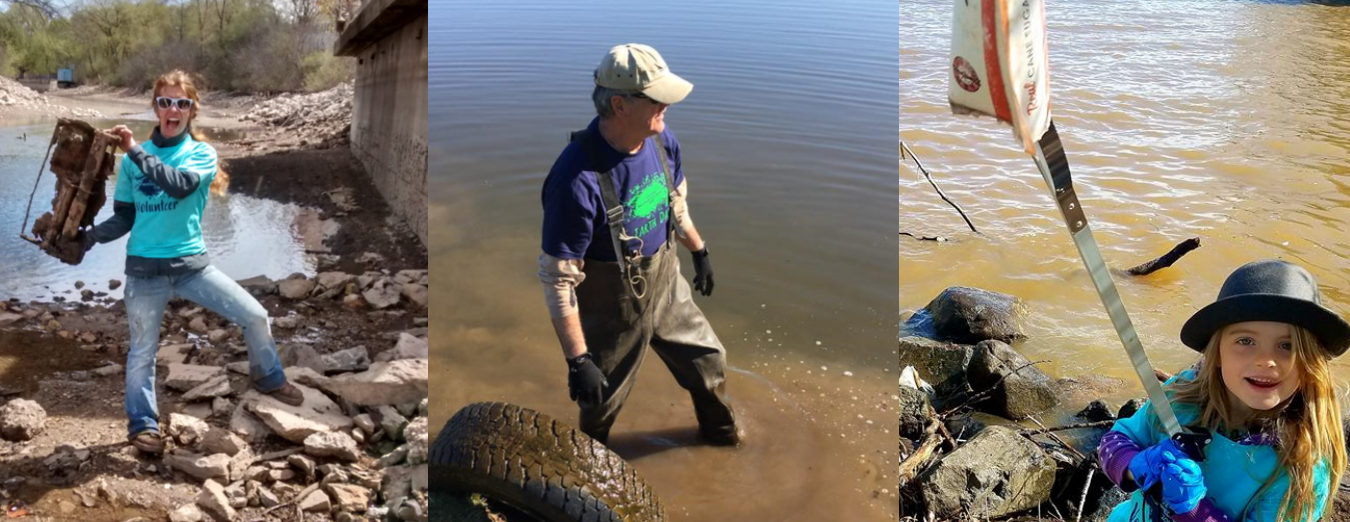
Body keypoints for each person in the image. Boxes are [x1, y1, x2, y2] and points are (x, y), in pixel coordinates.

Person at [83, 70, 305, 455]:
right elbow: (125, 217)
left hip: (191, 267)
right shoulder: (133, 163)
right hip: (143, 271)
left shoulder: (200, 154)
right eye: (165, 101)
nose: (173, 109)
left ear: (191, 110)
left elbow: (178, 184)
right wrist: (88, 238)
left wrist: (135, 149)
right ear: (155, 107)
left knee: (254, 316)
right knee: (142, 352)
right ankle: (142, 426)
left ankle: (268, 377)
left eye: (181, 103)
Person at [537, 43, 740, 446]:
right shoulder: (575, 179)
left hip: (666, 286)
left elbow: (675, 204)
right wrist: (578, 361)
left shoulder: (662, 142)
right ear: (620, 105)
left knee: (710, 362)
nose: (667, 106)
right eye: (658, 99)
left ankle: (723, 440)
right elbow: (558, 280)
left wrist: (699, 251)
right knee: (599, 403)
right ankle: (590, 480)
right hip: (612, 309)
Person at [1098, 259, 1348, 521]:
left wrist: (1194, 509)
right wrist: (1136, 466)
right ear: (1216, 353)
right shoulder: (1181, 398)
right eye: (1246, 341)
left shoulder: (1302, 466)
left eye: (1286, 345)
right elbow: (1115, 441)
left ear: (1310, 363)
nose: (1266, 360)